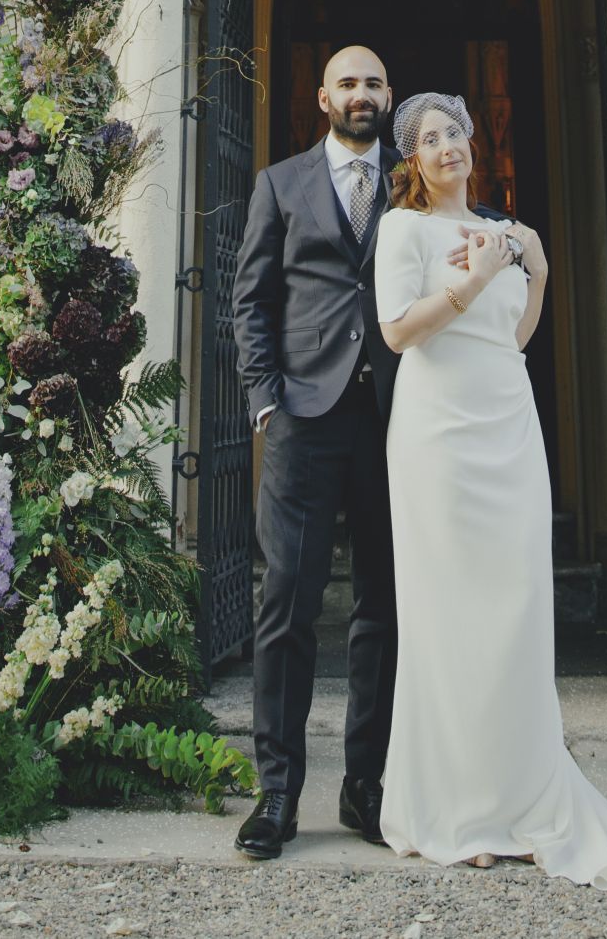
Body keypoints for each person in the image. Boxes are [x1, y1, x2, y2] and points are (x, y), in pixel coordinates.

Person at [374, 92, 607, 895]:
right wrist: (470, 284)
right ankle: (458, 812)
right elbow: (399, 331)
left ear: (475, 144)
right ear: (412, 161)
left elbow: (513, 337)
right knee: (450, 616)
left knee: (513, 614)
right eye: (429, 139)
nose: (447, 147)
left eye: (455, 134)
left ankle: (518, 797)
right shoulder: (404, 230)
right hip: (438, 437)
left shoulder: (505, 231)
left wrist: (532, 274)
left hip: (508, 427)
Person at [229, 43, 399, 861]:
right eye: (347, 83)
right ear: (321, 96)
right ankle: (278, 792)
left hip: (398, 418)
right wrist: (265, 398)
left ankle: (365, 786)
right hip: (302, 414)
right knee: (286, 604)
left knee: (384, 604)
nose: (360, 94)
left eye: (373, 83)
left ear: (388, 96)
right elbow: (251, 298)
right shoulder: (280, 183)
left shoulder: (414, 180)